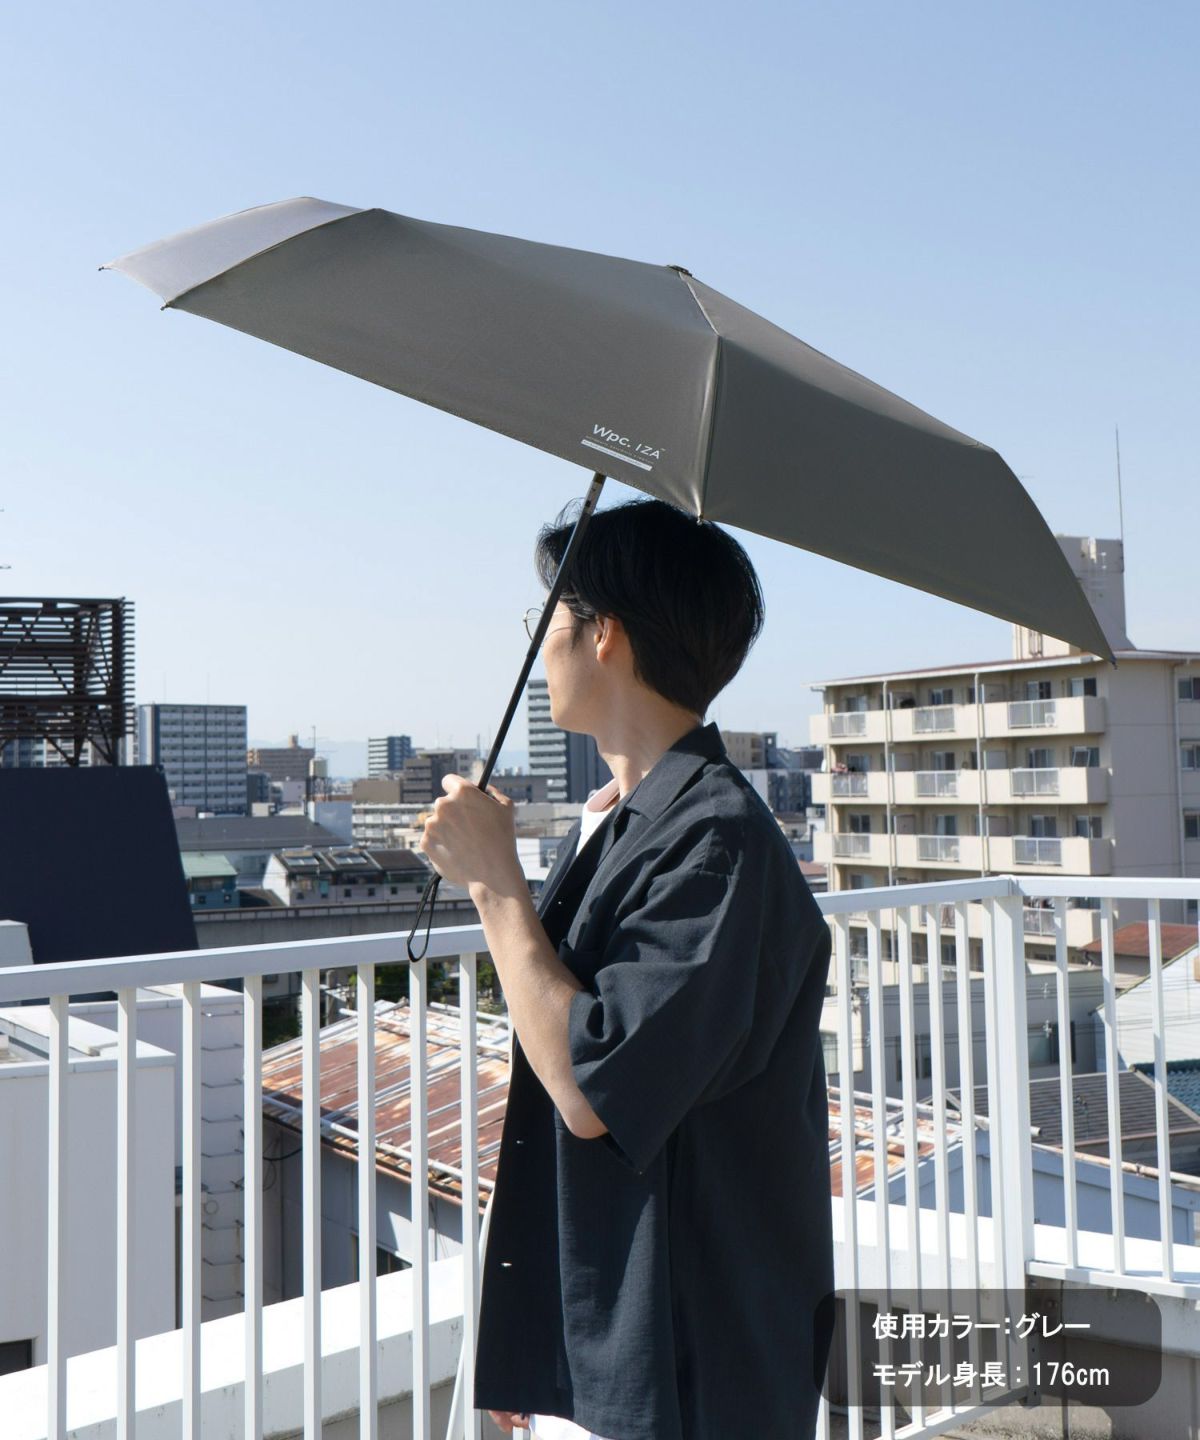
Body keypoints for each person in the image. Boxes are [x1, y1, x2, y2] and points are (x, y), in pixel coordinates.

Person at [419, 497, 835, 1440]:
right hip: (617, 1330)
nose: (541, 647)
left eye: (549, 619)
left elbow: (590, 1088)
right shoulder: (631, 820)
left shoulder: (715, 842)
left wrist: (495, 884)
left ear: (603, 634)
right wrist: (540, 1336)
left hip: (686, 1357)